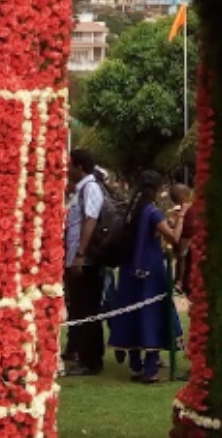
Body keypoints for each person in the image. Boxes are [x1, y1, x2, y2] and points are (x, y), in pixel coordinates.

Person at [107, 170, 182, 384]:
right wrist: (183, 215)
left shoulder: (132, 210)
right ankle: (150, 368)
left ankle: (136, 366)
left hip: (130, 270)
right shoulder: (152, 212)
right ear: (157, 189)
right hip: (150, 271)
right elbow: (174, 238)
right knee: (151, 315)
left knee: (133, 314)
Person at [61, 150, 107, 377]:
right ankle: (79, 352)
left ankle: (91, 361)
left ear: (80, 167)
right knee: (79, 308)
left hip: (86, 261)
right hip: (77, 258)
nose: (67, 169)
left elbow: (91, 220)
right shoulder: (81, 189)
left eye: (70, 165)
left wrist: (80, 254)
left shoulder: (91, 188)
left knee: (88, 309)